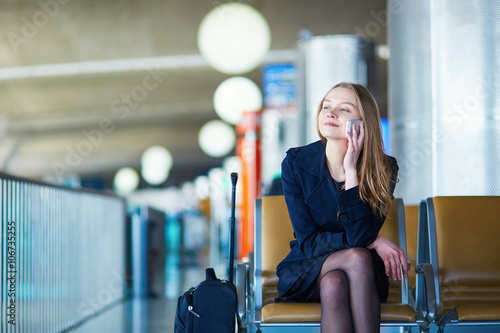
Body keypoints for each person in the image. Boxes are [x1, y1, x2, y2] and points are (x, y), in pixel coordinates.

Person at [276, 82, 407, 333]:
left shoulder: (384, 168)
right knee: (357, 256)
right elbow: (308, 241)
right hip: (307, 268)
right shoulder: (296, 163)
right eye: (326, 106)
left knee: (336, 283)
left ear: (363, 122)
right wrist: (374, 242)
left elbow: (360, 236)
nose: (331, 113)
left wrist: (351, 171)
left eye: (344, 109)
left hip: (362, 276)